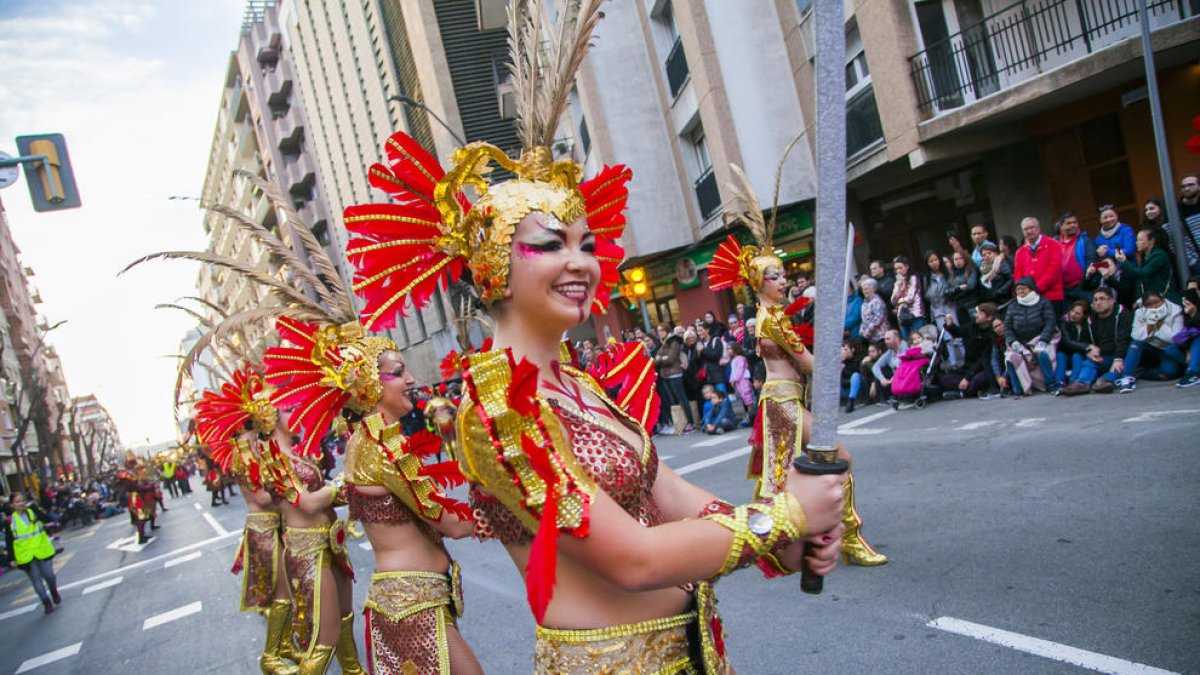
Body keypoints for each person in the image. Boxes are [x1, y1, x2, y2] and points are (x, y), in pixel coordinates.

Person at [339, 16, 846, 664]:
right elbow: (630, 558)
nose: (580, 262)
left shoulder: (577, 384)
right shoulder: (497, 411)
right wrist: (784, 519)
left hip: (690, 649)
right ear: (497, 267)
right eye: (550, 245)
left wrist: (780, 532)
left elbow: (670, 497)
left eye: (586, 244)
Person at [709, 225, 885, 566]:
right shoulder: (771, 319)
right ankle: (837, 538)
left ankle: (826, 536)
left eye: (783, 274)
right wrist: (836, 357)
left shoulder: (773, 316)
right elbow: (808, 363)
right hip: (782, 404)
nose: (784, 281)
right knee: (806, 472)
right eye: (775, 276)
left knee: (797, 475)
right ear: (759, 283)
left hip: (787, 401)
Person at [193, 368, 302, 674]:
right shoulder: (246, 450)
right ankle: (271, 657)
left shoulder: (250, 445)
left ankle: (287, 647)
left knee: (288, 594)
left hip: (271, 526)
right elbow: (262, 498)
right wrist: (291, 486)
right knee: (280, 597)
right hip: (265, 527)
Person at [1057, 287, 1133, 395]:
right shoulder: (1091, 320)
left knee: (1119, 367)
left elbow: (1124, 339)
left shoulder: (1123, 315)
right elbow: (1086, 341)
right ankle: (1082, 383)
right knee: (1088, 363)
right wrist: (1090, 352)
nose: (1098, 303)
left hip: (1121, 355)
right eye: (1095, 300)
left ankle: (1105, 380)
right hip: (1103, 356)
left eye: (1102, 299)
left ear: (1112, 301)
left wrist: (1118, 358)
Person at [1115, 291, 1185, 391]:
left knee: (1168, 372)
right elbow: (1135, 335)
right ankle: (1127, 377)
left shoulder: (1175, 310)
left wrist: (1160, 326)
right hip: (1150, 347)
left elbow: (1177, 338)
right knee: (1136, 343)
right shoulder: (1140, 312)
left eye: (1157, 302)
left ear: (1163, 300)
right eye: (1150, 305)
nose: (1154, 306)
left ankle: (1141, 373)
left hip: (1168, 348)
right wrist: (1149, 327)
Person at [4, 492, 61, 614]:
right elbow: (9, 541)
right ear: (12, 505)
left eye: (22, 500)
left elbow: (46, 518)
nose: (21, 503)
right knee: (36, 580)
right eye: (17, 502)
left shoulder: (33, 511)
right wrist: (11, 559)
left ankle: (53, 591)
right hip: (26, 555)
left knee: (49, 575)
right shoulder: (10, 521)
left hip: (41, 549)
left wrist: (41, 511)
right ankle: (46, 602)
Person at [1004, 277, 1061, 395]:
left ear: (1031, 289)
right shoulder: (1013, 305)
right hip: (1020, 341)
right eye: (1018, 289)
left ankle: (1051, 384)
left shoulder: (1043, 302)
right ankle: (1018, 389)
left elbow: (1050, 322)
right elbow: (1007, 327)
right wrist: (1013, 341)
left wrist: (1043, 340)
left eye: (1023, 289)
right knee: (1010, 357)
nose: (1020, 291)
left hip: (1040, 338)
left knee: (1043, 353)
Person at [940, 303, 1000, 399]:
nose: (977, 316)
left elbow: (983, 359)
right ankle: (967, 391)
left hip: (982, 368)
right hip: (968, 367)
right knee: (945, 378)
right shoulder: (972, 326)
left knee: (979, 379)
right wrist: (950, 325)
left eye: (980, 314)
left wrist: (967, 378)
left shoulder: (990, 334)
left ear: (989, 318)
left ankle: (963, 393)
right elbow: (959, 332)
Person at [1013, 216, 1065, 315]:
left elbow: (1054, 270)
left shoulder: (1053, 245)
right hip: (1029, 298)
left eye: (1031, 227)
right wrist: (1022, 290)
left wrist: (1035, 289)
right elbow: (1018, 274)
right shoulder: (1020, 252)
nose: (1029, 231)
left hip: (1052, 296)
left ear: (1039, 228)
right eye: (1025, 229)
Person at [1116, 227, 1179, 304]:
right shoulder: (1145, 256)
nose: (1137, 243)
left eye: (1140, 240)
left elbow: (1143, 274)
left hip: (1165, 299)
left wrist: (1124, 261)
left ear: (1151, 241)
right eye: (1137, 240)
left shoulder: (1159, 255)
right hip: (1150, 299)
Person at [656, 329, 697, 433]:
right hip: (667, 375)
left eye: (662, 330)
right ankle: (684, 422)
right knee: (677, 401)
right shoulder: (664, 343)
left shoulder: (674, 342)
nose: (660, 332)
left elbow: (670, 359)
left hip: (675, 374)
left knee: (682, 399)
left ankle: (691, 423)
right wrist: (662, 358)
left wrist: (661, 358)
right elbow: (657, 359)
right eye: (659, 331)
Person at [1056, 211, 1097, 304]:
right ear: (1061, 226)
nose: (1073, 225)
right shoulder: (1054, 242)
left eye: (1075, 222)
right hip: (1063, 289)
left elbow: (1091, 261)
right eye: (1069, 223)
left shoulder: (1085, 240)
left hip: (1082, 288)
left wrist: (1086, 280)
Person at [1054, 300, 1091, 389]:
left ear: (1084, 316)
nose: (1073, 314)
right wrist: (1087, 346)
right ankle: (1059, 383)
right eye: (1072, 311)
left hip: (1079, 353)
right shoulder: (1064, 322)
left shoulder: (1088, 325)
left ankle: (1074, 383)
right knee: (1060, 355)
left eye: (1077, 313)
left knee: (1077, 356)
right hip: (1065, 350)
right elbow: (1067, 342)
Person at [1170, 287, 1200, 388]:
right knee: (1170, 348)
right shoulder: (1184, 314)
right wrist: (1187, 350)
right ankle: (1193, 370)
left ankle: (1192, 372)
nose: (1185, 305)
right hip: (1191, 347)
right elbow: (1183, 335)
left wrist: (1194, 313)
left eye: (1187, 302)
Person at [891, 255, 925, 339]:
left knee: (916, 338)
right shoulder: (897, 283)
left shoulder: (913, 278)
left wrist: (900, 300)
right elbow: (893, 300)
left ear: (906, 266)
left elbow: (910, 297)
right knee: (907, 340)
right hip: (902, 316)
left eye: (900, 268)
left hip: (915, 314)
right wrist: (899, 288)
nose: (898, 271)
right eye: (896, 269)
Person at [871, 329, 908, 405]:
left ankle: (901, 396)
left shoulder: (906, 348)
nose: (885, 342)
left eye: (888, 339)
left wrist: (892, 379)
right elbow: (875, 366)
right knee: (880, 370)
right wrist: (882, 379)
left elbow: (903, 368)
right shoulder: (890, 352)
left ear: (897, 338)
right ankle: (885, 399)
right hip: (895, 379)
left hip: (905, 377)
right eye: (885, 339)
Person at [1174, 174, 1200, 277]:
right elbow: (1174, 240)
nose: (1187, 188)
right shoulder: (1176, 210)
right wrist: (1192, 261)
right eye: (1183, 186)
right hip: (1195, 262)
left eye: (1191, 185)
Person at [727, 342, 756, 424]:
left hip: (743, 380)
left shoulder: (740, 358)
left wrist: (735, 379)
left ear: (735, 349)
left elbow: (740, 370)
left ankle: (751, 417)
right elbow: (733, 371)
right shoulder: (734, 359)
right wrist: (732, 380)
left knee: (748, 399)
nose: (728, 351)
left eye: (730, 349)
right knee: (744, 399)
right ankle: (750, 416)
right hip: (738, 382)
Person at [697, 322, 729, 394]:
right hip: (707, 377)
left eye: (701, 330)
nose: (699, 333)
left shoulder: (716, 340)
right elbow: (698, 361)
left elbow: (716, 356)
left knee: (722, 398)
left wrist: (703, 350)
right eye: (698, 331)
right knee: (714, 402)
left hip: (718, 375)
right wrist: (698, 354)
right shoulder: (700, 343)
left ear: (707, 330)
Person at [858, 276, 889, 342]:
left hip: (881, 335)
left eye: (867, 289)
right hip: (871, 337)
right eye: (863, 289)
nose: (864, 291)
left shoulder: (877, 301)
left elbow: (877, 319)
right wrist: (862, 330)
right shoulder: (865, 302)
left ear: (873, 289)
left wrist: (867, 332)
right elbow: (864, 319)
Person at [840, 339, 863, 413]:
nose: (844, 352)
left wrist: (844, 369)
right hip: (843, 388)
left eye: (846, 349)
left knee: (855, 375)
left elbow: (856, 373)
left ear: (852, 350)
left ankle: (851, 401)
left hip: (855, 387)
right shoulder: (839, 360)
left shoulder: (858, 359)